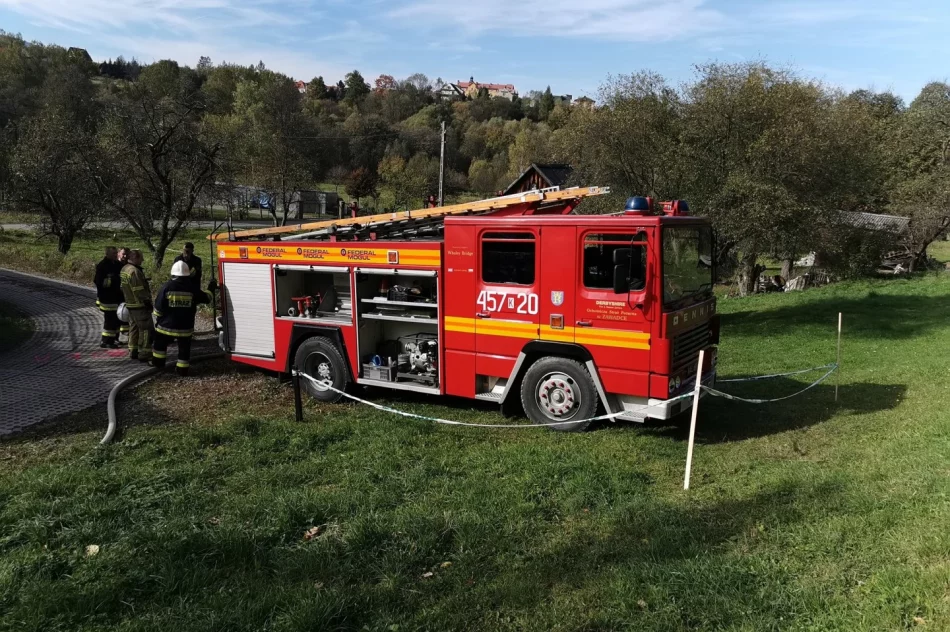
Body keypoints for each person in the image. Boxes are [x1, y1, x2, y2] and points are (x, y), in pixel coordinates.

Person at [151, 261, 215, 376]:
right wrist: (211, 287)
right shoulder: (192, 288)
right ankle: (182, 370)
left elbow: (158, 307)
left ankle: (158, 364)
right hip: (185, 327)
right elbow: (207, 298)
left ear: (173, 273)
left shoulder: (166, 287)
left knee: (160, 345)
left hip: (166, 326)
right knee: (184, 349)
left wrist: (158, 320)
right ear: (187, 274)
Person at [120, 249, 154, 361]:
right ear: (135, 258)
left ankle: (132, 350)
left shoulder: (124, 269)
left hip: (130, 304)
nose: (143, 260)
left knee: (133, 328)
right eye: (141, 258)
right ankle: (144, 352)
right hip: (139, 305)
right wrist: (148, 302)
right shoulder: (134, 271)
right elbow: (139, 291)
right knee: (146, 329)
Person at [93, 246, 123, 348]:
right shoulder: (103, 266)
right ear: (107, 254)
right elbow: (98, 282)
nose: (115, 255)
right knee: (110, 320)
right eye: (113, 253)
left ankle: (114, 339)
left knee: (116, 319)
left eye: (116, 253)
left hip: (116, 297)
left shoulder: (118, 264)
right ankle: (106, 341)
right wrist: (114, 280)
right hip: (107, 298)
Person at [116, 248, 131, 342]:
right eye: (123, 254)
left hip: (126, 295)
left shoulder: (128, 266)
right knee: (115, 318)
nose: (125, 256)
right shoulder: (114, 265)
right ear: (118, 254)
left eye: (126, 255)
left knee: (125, 314)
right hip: (116, 295)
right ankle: (115, 337)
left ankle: (126, 334)